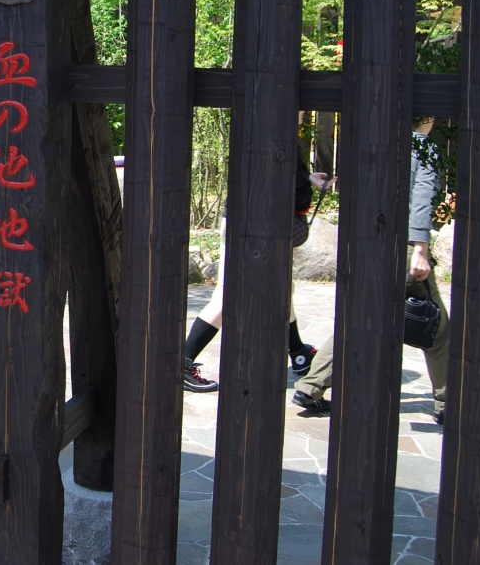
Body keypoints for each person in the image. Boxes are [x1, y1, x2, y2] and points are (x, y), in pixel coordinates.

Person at [290, 117, 450, 425]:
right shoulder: (422, 147)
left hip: (368, 245)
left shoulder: (375, 141)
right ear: (429, 118)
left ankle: (310, 387)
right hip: (404, 247)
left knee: (358, 319)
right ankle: (447, 401)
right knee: (438, 329)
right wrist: (420, 248)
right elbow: (421, 197)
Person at [183, 159, 334, 393]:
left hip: (252, 220)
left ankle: (298, 352)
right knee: (225, 297)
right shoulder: (276, 136)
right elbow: (277, 176)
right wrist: (304, 184)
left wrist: (306, 179)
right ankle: (183, 362)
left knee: (283, 289)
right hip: (252, 223)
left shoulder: (277, 138)